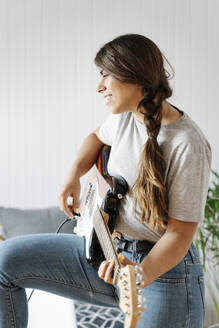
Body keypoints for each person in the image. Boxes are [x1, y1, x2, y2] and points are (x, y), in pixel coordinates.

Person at [0, 34, 211, 328]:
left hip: (164, 274)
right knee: (4, 261)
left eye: (106, 76)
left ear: (133, 75)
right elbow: (96, 138)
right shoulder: (125, 118)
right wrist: (73, 176)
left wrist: (138, 275)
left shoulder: (188, 143)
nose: (99, 87)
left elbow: (180, 234)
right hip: (109, 257)